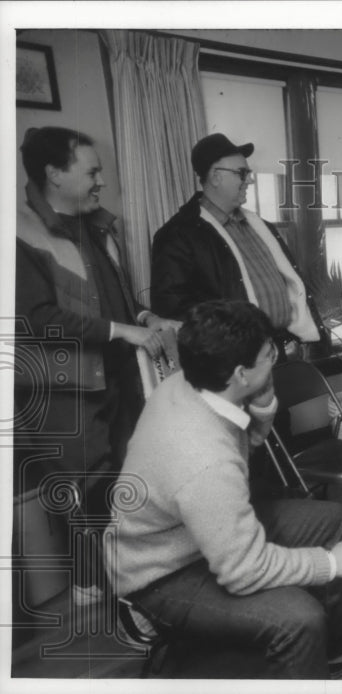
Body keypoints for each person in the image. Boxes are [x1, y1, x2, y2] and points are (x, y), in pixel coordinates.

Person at [103, 300, 342, 679]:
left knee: (332, 520)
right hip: (160, 573)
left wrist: (264, 399)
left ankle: (337, 650)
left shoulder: (191, 380)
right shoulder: (201, 457)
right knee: (299, 619)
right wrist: (331, 564)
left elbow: (245, 445)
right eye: (268, 353)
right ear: (240, 373)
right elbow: (242, 570)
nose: (276, 356)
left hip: (197, 533)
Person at [15, 126, 177, 607]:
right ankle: (95, 586)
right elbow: (35, 318)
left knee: (130, 478)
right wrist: (122, 332)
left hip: (119, 377)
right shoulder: (19, 234)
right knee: (86, 488)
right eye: (91, 171)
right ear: (54, 174)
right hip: (67, 387)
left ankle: (132, 584)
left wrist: (142, 318)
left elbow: (111, 301)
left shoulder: (101, 226)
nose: (99, 181)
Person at [151, 133, 325, 357]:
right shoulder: (178, 235)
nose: (250, 180)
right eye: (242, 173)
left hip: (282, 353)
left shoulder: (261, 227)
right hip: (235, 364)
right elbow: (172, 312)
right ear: (215, 177)